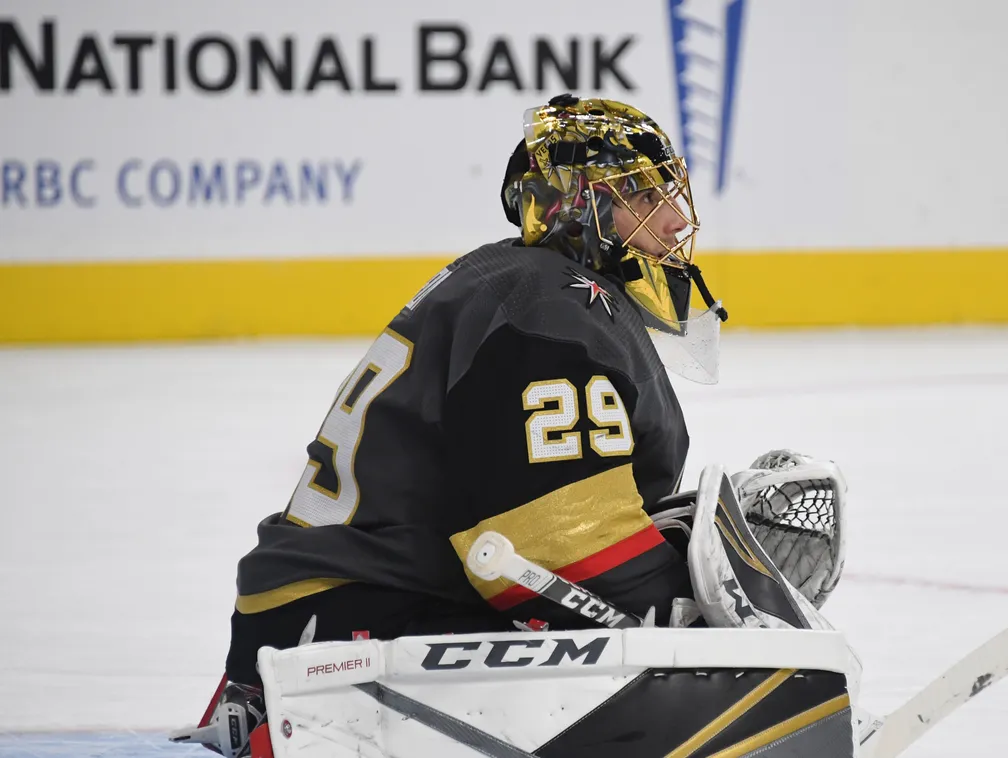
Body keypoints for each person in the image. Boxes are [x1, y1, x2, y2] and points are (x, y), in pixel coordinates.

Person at [178, 94, 845, 758]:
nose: (672, 218)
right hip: (356, 631)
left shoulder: (521, 284)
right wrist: (696, 614)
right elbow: (554, 544)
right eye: (641, 197)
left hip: (320, 614)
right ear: (577, 204)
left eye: (667, 193)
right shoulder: (548, 311)